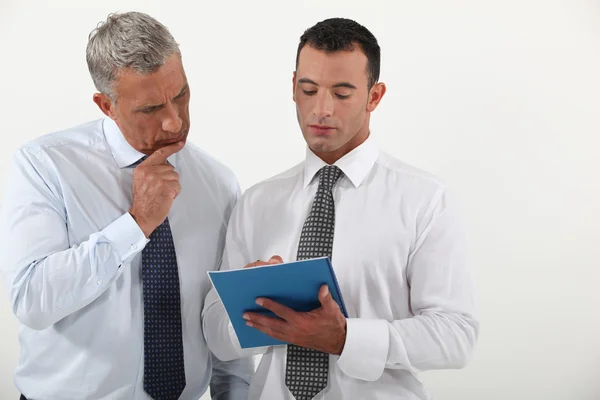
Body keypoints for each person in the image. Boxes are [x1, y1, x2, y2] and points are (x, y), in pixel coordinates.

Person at [202, 17, 479, 400]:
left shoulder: (425, 199)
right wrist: (245, 305)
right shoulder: (257, 201)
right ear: (293, 89)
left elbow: (456, 334)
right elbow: (216, 336)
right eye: (309, 89)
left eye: (342, 93)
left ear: (374, 96)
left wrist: (348, 338)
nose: (322, 109)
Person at [0, 11, 254, 400]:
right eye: (151, 109)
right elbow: (32, 300)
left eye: (181, 95)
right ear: (106, 105)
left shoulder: (219, 183)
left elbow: (222, 322)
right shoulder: (45, 165)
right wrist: (135, 224)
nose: (174, 122)